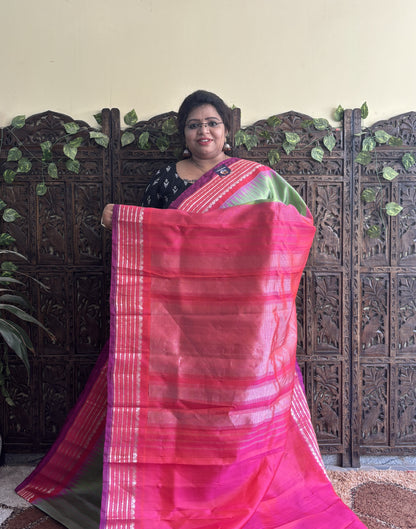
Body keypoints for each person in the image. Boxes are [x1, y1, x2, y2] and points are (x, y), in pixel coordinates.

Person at [16, 91, 367, 528]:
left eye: (212, 123)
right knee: (175, 410)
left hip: (239, 328)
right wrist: (122, 220)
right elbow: (149, 243)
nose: (204, 131)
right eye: (194, 124)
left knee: (233, 412)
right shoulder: (166, 180)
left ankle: (233, 486)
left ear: (227, 131)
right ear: (184, 133)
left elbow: (293, 228)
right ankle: (167, 493)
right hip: (175, 320)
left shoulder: (259, 180)